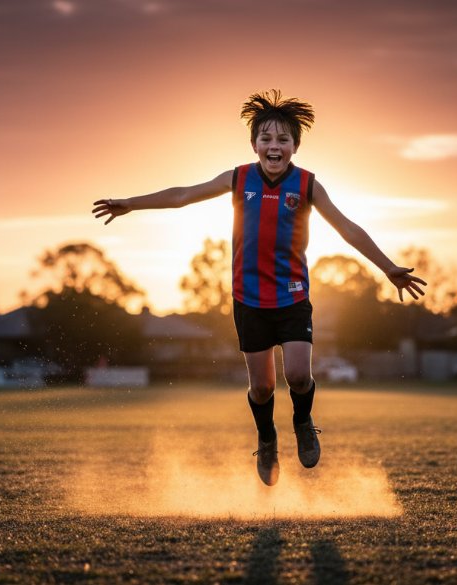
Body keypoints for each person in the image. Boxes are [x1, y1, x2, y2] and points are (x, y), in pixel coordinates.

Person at [92, 90, 426, 486]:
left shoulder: (307, 185)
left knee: (299, 377)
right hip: (249, 300)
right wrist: (131, 203)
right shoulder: (238, 178)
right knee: (263, 386)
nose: (274, 146)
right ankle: (267, 439)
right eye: (266, 138)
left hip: (292, 296)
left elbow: (348, 228)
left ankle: (303, 422)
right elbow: (182, 196)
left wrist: (388, 268)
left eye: (283, 139)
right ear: (254, 145)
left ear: (294, 147)